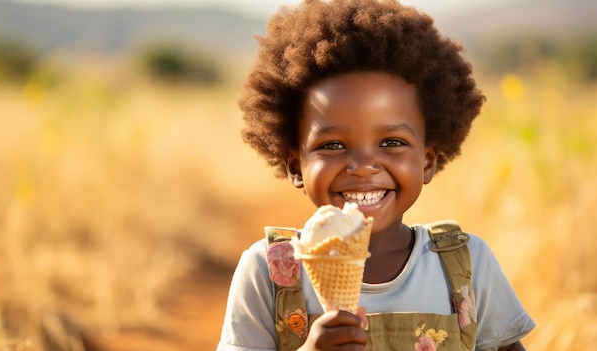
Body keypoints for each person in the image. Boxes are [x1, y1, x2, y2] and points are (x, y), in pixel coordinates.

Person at [217, 0, 535, 350]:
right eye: (334, 145)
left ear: (427, 161)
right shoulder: (269, 271)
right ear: (296, 166)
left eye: (392, 141)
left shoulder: (467, 265)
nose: (364, 165)